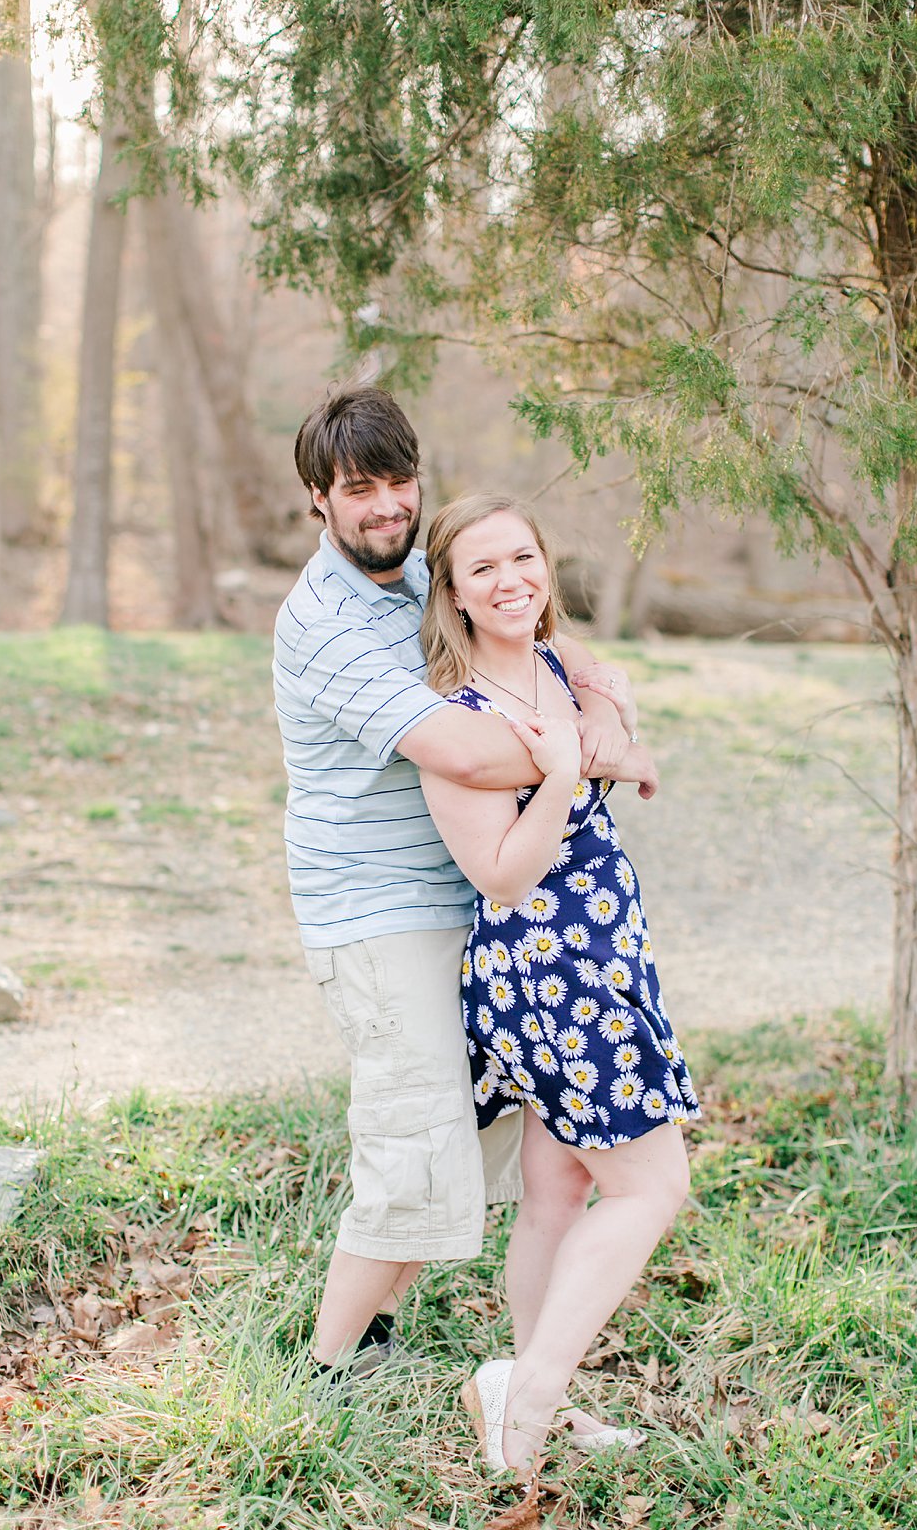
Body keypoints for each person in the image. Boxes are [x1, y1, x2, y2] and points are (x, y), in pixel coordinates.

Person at [274, 386, 658, 1389]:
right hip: (377, 908)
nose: (386, 506)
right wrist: (585, 753)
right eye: (360, 488)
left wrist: (604, 704)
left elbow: (543, 641)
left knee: (467, 1130)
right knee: (414, 1136)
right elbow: (467, 753)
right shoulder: (323, 623)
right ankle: (328, 1369)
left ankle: (379, 1332)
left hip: (467, 904)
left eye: (399, 482)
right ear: (318, 496)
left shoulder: (414, 578)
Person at [412, 492, 695, 1476]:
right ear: (450, 593)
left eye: (522, 557)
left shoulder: (554, 666)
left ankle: (541, 1397)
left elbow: (607, 704)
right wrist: (569, 774)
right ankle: (521, 1397)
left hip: (602, 956)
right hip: (550, 975)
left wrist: (610, 728)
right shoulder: (455, 720)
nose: (510, 581)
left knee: (556, 1191)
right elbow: (499, 872)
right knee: (653, 1184)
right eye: (482, 568)